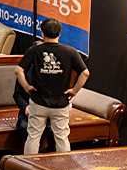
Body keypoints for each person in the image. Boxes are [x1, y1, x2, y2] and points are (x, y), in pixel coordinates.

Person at [16, 17, 89, 156]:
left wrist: (26, 87)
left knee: (33, 137)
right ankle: (63, 168)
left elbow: (18, 70)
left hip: (38, 103)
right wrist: (74, 91)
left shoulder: (35, 50)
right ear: (59, 34)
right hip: (61, 104)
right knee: (62, 137)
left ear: (42, 33)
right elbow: (85, 73)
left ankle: (28, 168)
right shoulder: (70, 51)